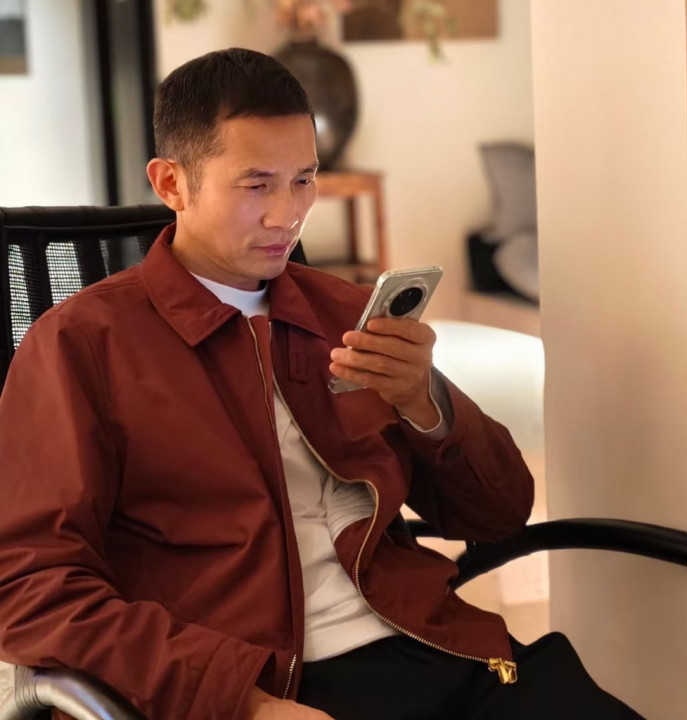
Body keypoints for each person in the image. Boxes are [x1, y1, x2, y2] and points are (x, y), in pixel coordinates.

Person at [0, 48, 643, 720]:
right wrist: (245, 704)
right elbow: (29, 586)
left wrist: (426, 405)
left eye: (303, 179)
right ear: (171, 184)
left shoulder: (345, 316)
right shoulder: (83, 344)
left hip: (433, 649)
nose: (288, 215)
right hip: (249, 681)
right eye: (256, 186)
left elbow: (499, 514)